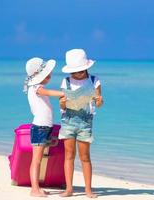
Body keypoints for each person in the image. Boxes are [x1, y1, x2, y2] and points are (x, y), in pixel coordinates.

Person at [58, 49, 103, 198]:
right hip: (68, 120)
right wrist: (63, 103)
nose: (78, 74)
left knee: (85, 157)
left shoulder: (94, 80)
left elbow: (99, 103)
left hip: (85, 121)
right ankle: (69, 189)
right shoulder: (66, 81)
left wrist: (99, 100)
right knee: (69, 155)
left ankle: (88, 190)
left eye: (81, 70)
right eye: (75, 71)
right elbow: (62, 106)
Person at [23, 57, 64, 197]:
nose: (50, 76)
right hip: (40, 128)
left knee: (40, 159)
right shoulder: (36, 88)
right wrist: (63, 93)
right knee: (37, 160)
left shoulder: (37, 88)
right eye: (47, 74)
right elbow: (48, 93)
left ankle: (37, 187)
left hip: (45, 127)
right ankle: (34, 189)